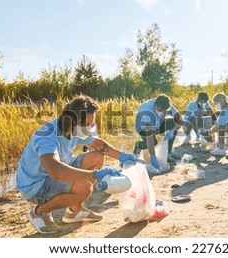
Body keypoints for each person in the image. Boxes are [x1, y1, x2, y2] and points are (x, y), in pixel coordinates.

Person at [16, 95, 141, 234]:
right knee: (85, 187)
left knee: (97, 157)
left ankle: (75, 211)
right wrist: (95, 175)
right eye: (87, 125)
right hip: (35, 184)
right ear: (73, 121)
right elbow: (55, 171)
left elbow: (98, 144)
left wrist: (122, 156)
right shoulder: (47, 136)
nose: (90, 128)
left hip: (60, 167)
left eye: (91, 124)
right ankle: (39, 213)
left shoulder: (74, 129)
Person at [133, 94, 185, 171]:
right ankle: (139, 145)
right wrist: (153, 156)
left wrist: (172, 131)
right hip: (143, 128)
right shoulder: (146, 112)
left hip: (158, 124)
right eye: (161, 110)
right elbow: (149, 136)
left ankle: (168, 154)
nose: (163, 112)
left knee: (174, 123)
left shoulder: (167, 105)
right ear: (156, 105)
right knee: (153, 144)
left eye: (165, 111)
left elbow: (180, 120)